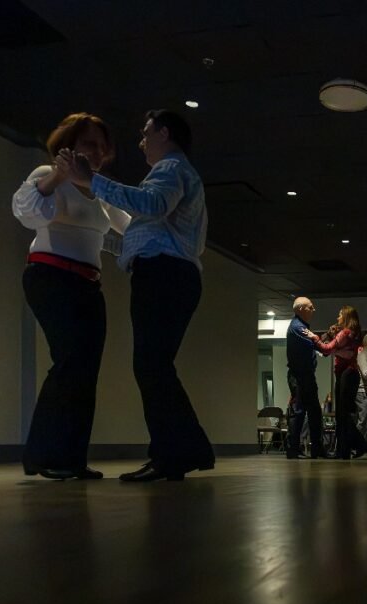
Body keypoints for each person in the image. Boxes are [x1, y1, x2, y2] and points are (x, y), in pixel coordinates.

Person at [65, 109, 212, 482]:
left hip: (163, 274)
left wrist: (92, 180)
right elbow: (143, 229)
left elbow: (151, 205)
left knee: (151, 365)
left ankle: (176, 453)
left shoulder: (170, 169)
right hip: (171, 274)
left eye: (146, 133)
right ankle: (176, 452)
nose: (141, 141)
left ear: (164, 132)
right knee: (154, 365)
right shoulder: (177, 172)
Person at [11, 113, 129, 480]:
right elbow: (27, 212)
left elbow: (129, 224)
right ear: (69, 146)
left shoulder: (99, 189)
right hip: (50, 277)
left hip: (88, 284)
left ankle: (72, 458)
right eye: (88, 144)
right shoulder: (45, 175)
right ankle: (45, 456)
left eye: (100, 146)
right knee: (68, 362)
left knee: (85, 369)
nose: (96, 152)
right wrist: (59, 176)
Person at [309, 306, 367, 459]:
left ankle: (357, 445)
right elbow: (337, 350)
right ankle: (345, 450)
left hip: (347, 374)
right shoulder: (353, 333)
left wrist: (314, 338)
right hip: (348, 374)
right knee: (343, 414)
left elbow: (327, 349)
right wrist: (330, 335)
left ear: (347, 317)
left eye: (340, 315)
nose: (338, 318)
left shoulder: (346, 332)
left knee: (342, 415)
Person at [285, 297, 331, 459]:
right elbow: (318, 347)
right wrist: (323, 338)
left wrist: (323, 336)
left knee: (311, 412)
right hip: (301, 376)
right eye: (311, 307)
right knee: (301, 412)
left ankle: (307, 449)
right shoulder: (299, 328)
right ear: (301, 309)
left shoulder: (300, 327)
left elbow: (314, 344)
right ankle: (296, 449)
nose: (314, 310)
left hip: (304, 375)